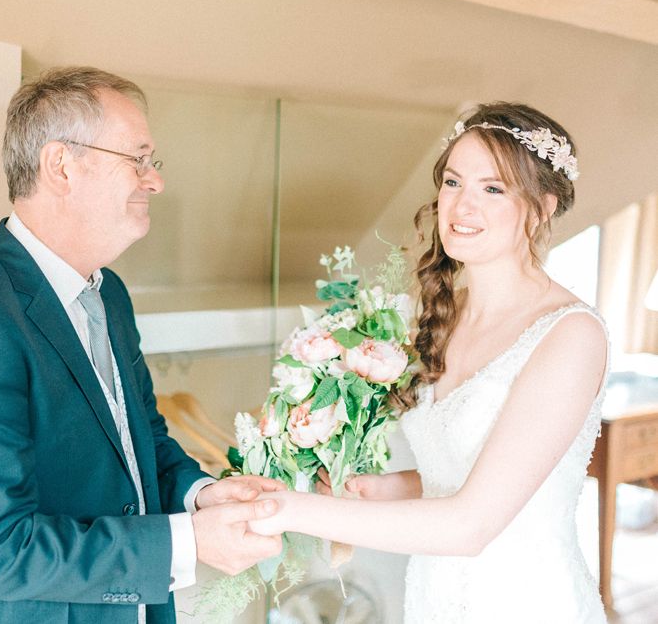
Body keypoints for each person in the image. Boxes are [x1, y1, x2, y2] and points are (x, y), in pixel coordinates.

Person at [0, 67, 284, 624]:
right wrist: (188, 543)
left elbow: (140, 443)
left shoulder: (108, 292)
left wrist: (201, 496)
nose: (155, 180)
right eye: (137, 158)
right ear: (61, 166)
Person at [250, 102, 609, 623]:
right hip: (436, 596)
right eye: (453, 182)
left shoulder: (569, 336)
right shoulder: (447, 313)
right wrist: (386, 488)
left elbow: (470, 525)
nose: (462, 207)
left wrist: (286, 509)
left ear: (543, 206)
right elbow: (469, 465)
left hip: (524, 601)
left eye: (493, 188)